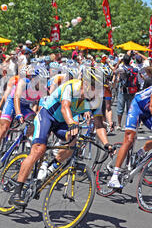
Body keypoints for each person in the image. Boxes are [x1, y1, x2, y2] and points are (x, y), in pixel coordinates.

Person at [8, 67, 113, 207]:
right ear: (86, 84)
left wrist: (107, 144)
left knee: (74, 141)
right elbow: (65, 107)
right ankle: (17, 191)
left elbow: (99, 124)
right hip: (47, 116)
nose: (98, 91)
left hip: (62, 122)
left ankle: (50, 167)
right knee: (38, 150)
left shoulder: (95, 100)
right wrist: (71, 123)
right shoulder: (72, 86)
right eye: (95, 86)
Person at [0, 65, 47, 174]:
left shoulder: (43, 90)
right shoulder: (24, 82)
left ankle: (24, 138)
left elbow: (42, 107)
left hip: (25, 107)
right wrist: (18, 114)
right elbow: (16, 98)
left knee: (34, 122)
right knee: (4, 129)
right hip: (12, 104)